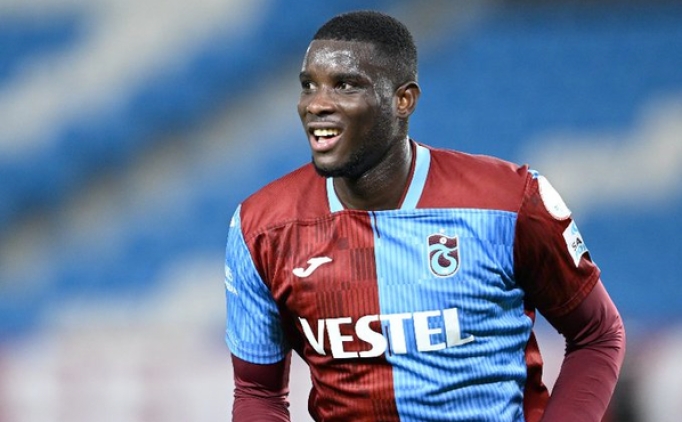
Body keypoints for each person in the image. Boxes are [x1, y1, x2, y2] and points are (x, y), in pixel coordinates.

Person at [224, 10, 625, 422]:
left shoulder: (508, 202)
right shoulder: (261, 229)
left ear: (403, 100)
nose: (317, 104)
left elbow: (597, 335)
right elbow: (258, 391)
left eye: (345, 85)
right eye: (309, 85)